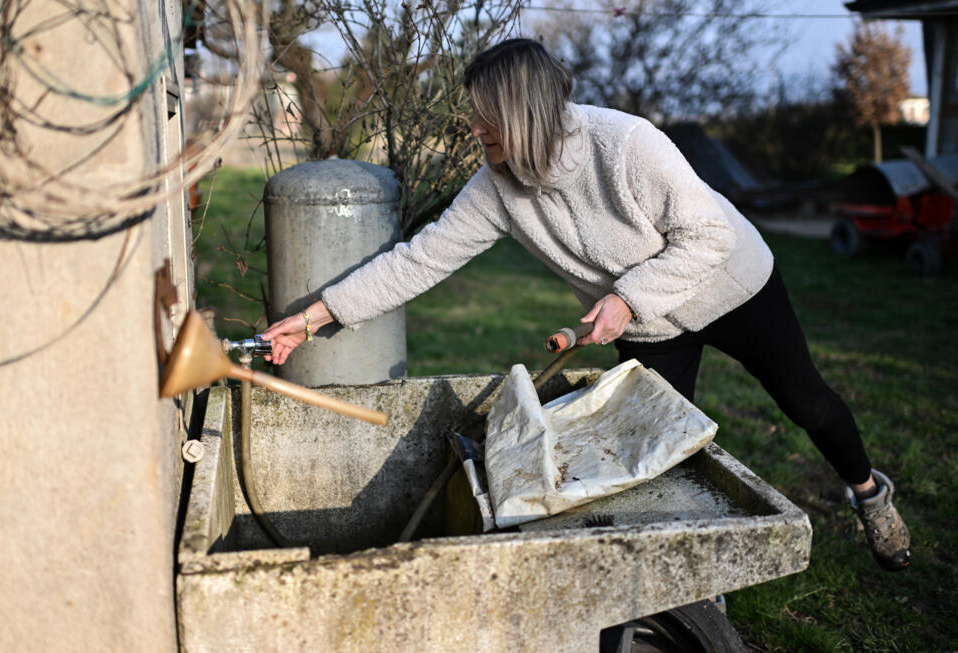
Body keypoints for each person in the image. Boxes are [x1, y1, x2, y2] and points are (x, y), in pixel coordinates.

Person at [262, 38, 910, 571]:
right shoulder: (496, 186)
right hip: (651, 323)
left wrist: (627, 299)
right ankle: (692, 578)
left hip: (732, 282)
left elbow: (707, 233)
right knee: (652, 442)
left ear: (526, 111)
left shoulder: (627, 145)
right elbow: (421, 259)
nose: (474, 127)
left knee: (807, 401)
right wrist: (320, 314)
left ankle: (867, 490)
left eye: (487, 115)